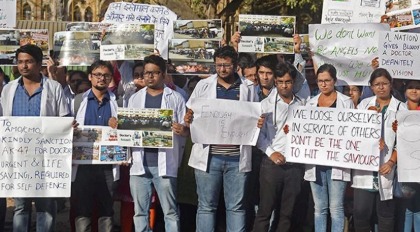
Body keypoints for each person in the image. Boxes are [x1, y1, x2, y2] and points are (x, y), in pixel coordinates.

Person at [184, 45, 259, 232]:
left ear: (235, 66)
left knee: (236, 207)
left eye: (226, 65)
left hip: (236, 159)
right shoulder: (204, 86)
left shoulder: (248, 87)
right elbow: (191, 112)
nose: (222, 69)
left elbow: (254, 114)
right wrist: (188, 118)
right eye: (218, 65)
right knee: (206, 207)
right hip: (209, 158)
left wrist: (259, 121)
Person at [1, 44, 70, 232]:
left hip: (46, 158)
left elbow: (64, 118)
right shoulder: (9, 90)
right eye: (21, 62)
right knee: (21, 206)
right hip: (18, 157)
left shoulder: (53, 87)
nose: (24, 66)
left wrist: (68, 127)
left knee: (45, 206)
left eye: (29, 62)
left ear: (39, 64)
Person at [122, 55, 188, 231]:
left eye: (155, 73)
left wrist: (182, 129)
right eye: (146, 73)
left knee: (170, 212)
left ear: (164, 74)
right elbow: (127, 131)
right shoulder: (134, 99)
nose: (150, 77)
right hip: (139, 164)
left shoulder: (176, 98)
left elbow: (186, 130)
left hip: (165, 165)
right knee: (140, 212)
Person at [352, 68, 407, 232]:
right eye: (377, 84)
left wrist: (391, 162)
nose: (381, 87)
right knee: (361, 213)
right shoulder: (363, 105)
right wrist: (368, 135)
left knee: (386, 216)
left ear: (391, 85)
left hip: (387, 170)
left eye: (384, 83)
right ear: (371, 86)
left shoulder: (401, 109)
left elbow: (404, 142)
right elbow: (352, 134)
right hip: (365, 170)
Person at [253, 62, 305, 232]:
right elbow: (258, 135)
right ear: (275, 81)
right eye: (280, 81)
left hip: (294, 165)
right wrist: (271, 153)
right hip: (271, 165)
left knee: (286, 214)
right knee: (264, 211)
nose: (284, 86)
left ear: (293, 82)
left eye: (288, 82)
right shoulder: (265, 104)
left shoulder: (303, 104)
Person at [305, 64, 354, 232]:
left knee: (336, 207)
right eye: (320, 81)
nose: (323, 84)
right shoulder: (310, 103)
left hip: (337, 163)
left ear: (334, 81)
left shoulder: (346, 102)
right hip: (316, 163)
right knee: (319, 208)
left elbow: (353, 130)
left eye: (327, 80)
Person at [73, 60, 120, 232]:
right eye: (97, 74)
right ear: (90, 77)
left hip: (107, 166)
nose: (101, 78)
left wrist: (119, 125)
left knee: (107, 211)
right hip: (83, 166)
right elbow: (65, 128)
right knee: (82, 211)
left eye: (106, 75)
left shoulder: (118, 102)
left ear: (110, 78)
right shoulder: (78, 101)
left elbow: (127, 133)